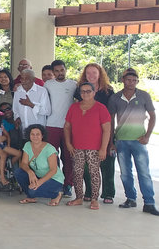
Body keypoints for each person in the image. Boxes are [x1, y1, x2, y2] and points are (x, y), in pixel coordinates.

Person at [108, 68, 158, 216]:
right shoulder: (115, 98)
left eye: (134, 80)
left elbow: (153, 116)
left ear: (137, 81)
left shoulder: (144, 96)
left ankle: (149, 202)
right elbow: (111, 121)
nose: (131, 83)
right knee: (125, 173)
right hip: (121, 140)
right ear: (123, 80)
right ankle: (130, 198)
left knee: (143, 172)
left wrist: (147, 136)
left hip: (138, 141)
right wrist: (112, 141)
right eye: (128, 80)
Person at [63, 82, 110, 210]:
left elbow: (107, 130)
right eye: (82, 91)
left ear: (94, 93)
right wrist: (68, 143)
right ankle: (78, 197)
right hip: (77, 147)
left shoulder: (101, 108)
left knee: (94, 172)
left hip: (94, 147)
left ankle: (94, 199)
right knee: (77, 172)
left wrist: (103, 148)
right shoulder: (74, 107)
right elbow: (67, 127)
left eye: (88, 91)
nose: (85, 94)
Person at [76, 62, 116, 204]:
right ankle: (89, 191)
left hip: (105, 131)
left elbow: (111, 116)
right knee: (87, 166)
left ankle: (108, 193)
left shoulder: (108, 91)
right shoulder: (80, 90)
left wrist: (110, 140)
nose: (91, 75)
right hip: (87, 134)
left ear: (100, 74)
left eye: (94, 72)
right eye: (88, 73)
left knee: (106, 164)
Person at [44, 59, 77, 194]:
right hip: (51, 124)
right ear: (53, 73)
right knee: (52, 157)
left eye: (62, 70)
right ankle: (55, 183)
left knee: (68, 157)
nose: (60, 73)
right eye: (56, 71)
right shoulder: (48, 84)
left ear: (66, 70)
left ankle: (68, 184)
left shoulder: (74, 84)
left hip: (69, 126)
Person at [15, 124, 64, 206]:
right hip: (38, 176)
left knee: (33, 190)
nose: (35, 137)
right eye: (32, 134)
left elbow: (53, 170)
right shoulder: (27, 145)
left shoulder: (49, 149)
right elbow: (23, 163)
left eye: (38, 134)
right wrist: (30, 172)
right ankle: (31, 197)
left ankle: (57, 194)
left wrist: (38, 183)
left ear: (42, 136)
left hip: (54, 179)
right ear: (29, 135)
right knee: (18, 172)